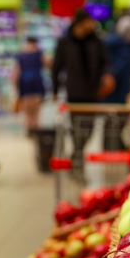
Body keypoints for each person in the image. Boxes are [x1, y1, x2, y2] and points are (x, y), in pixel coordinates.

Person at [52, 10, 110, 172]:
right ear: (81, 23)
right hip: (75, 92)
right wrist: (55, 91)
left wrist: (106, 75)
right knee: (76, 127)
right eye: (90, 21)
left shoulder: (96, 41)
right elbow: (56, 68)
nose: (92, 25)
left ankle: (77, 155)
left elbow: (105, 61)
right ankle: (78, 158)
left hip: (93, 92)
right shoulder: (65, 42)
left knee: (90, 128)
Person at [14, 37, 47, 131]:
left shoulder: (21, 56)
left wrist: (16, 87)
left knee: (27, 111)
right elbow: (48, 64)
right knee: (36, 110)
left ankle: (29, 129)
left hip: (25, 83)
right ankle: (36, 129)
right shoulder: (39, 54)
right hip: (37, 82)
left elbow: (17, 73)